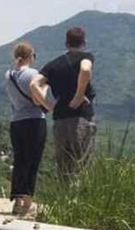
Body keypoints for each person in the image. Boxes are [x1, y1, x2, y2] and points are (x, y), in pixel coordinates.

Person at [31, 27, 97, 177]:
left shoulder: (54, 64)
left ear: (66, 44)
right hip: (81, 117)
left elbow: (34, 84)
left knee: (63, 167)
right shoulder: (85, 57)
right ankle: (81, 199)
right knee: (83, 166)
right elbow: (86, 69)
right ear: (84, 43)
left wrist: (48, 106)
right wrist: (79, 95)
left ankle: (64, 199)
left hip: (60, 119)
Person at [4, 42, 49, 216]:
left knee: (20, 161)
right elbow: (39, 100)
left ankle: (17, 201)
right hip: (34, 121)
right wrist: (45, 88)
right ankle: (28, 205)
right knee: (32, 162)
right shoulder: (34, 74)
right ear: (31, 56)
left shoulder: (9, 75)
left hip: (16, 122)